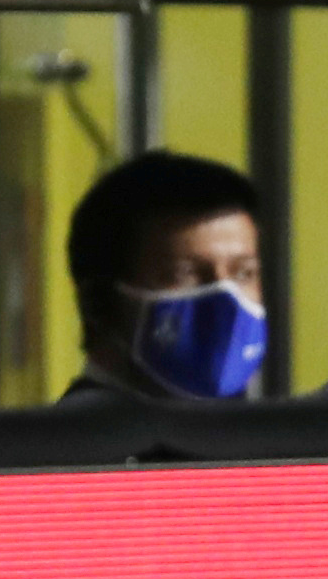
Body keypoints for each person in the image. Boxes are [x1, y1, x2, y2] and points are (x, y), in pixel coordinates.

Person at [63, 150, 268, 401]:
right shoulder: (65, 428)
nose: (226, 298)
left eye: (244, 273)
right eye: (185, 274)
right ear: (98, 302)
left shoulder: (264, 425)